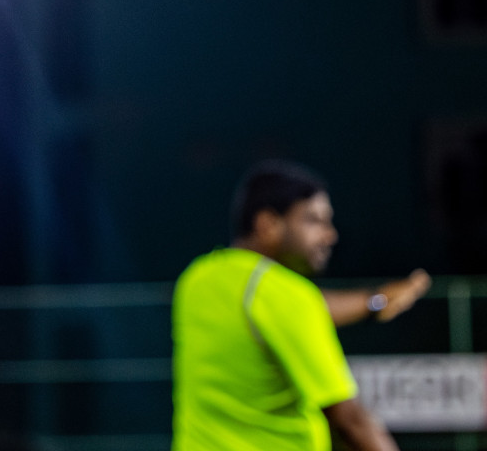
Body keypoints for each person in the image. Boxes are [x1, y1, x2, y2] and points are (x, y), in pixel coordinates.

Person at [172, 161, 431, 451]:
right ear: (268, 224)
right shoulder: (287, 295)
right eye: (313, 220)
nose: (329, 235)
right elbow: (350, 420)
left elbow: (296, 311)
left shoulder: (196, 279)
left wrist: (374, 301)